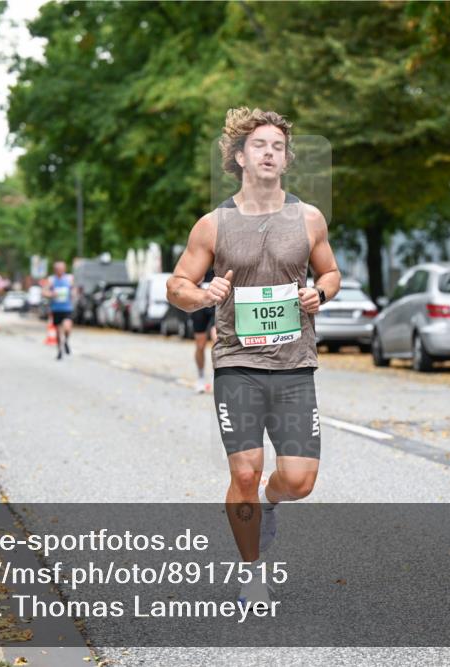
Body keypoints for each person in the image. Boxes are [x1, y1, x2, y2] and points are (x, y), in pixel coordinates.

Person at [167, 107, 341, 607]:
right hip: (237, 364)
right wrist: (201, 295)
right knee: (243, 471)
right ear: (240, 157)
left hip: (294, 365)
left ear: (286, 160)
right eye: (260, 145)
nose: (270, 153)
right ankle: (252, 572)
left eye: (278, 147)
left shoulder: (308, 218)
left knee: (300, 481)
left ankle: (269, 502)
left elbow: (330, 273)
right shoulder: (213, 225)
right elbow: (176, 285)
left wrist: (320, 296)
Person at [191, 269, 217, 393]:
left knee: (217, 338)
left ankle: (215, 375)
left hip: (217, 303)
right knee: (200, 345)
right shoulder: (198, 255)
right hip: (199, 303)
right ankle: (201, 377)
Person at [43, 261, 74, 360]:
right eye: (58, 269)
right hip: (56, 309)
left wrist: (74, 293)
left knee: (67, 327)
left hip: (67, 308)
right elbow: (44, 292)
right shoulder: (51, 280)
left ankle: (66, 342)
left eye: (62, 269)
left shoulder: (69, 278)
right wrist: (51, 294)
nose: (60, 271)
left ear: (64, 269)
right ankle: (59, 351)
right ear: (55, 270)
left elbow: (74, 289)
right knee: (58, 332)